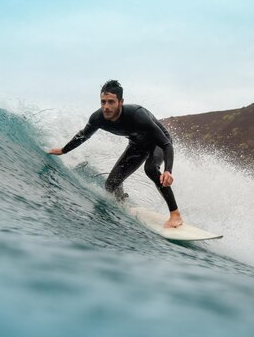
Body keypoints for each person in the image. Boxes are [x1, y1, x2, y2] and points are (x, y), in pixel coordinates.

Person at [47, 80, 183, 228]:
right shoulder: (97, 118)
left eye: (111, 102)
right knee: (111, 185)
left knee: (150, 169)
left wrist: (168, 170)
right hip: (137, 145)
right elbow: (83, 135)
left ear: (121, 102)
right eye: (103, 102)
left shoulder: (137, 115)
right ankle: (121, 201)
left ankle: (175, 215)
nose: (106, 107)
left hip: (159, 143)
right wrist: (63, 150)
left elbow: (166, 144)